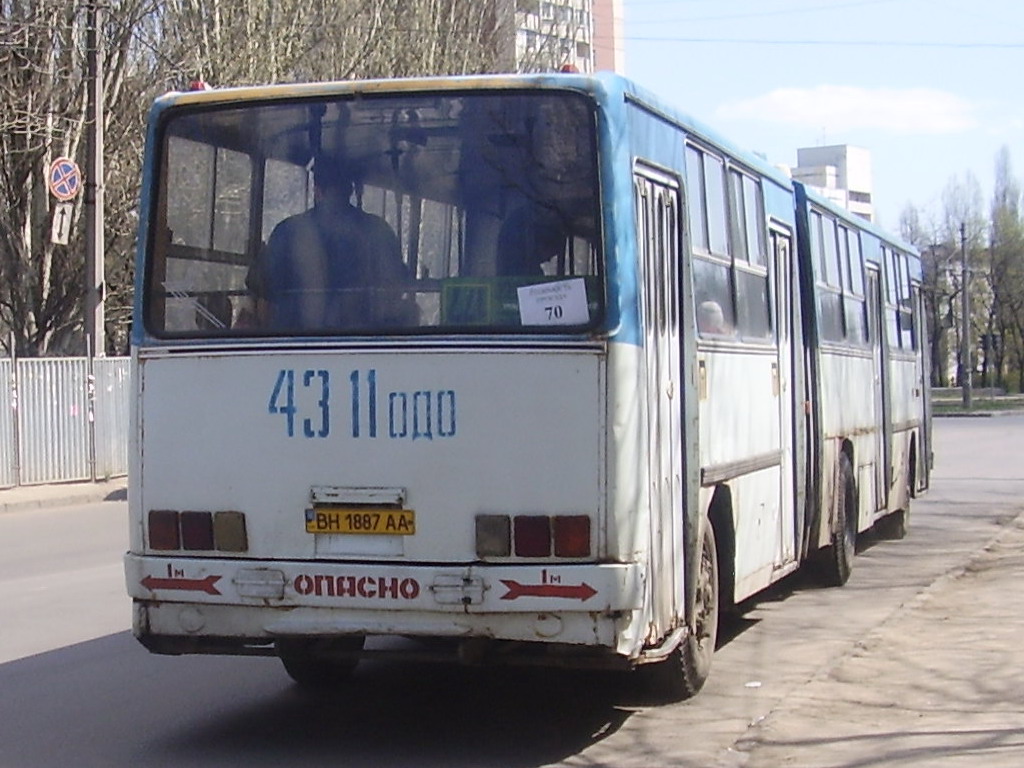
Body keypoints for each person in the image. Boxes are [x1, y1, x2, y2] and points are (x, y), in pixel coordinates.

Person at [246, 156, 415, 331]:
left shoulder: (287, 232)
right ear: (350, 190)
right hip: (365, 340)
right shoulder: (378, 230)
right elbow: (396, 288)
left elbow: (264, 296)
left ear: (317, 191)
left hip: (294, 342)